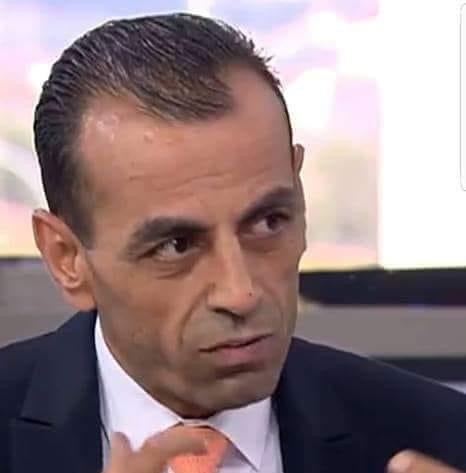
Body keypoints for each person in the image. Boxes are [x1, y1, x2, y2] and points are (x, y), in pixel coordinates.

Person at [0, 13, 465, 473]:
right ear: (66, 257)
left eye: (268, 222)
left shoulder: (443, 437)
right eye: (177, 246)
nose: (240, 293)